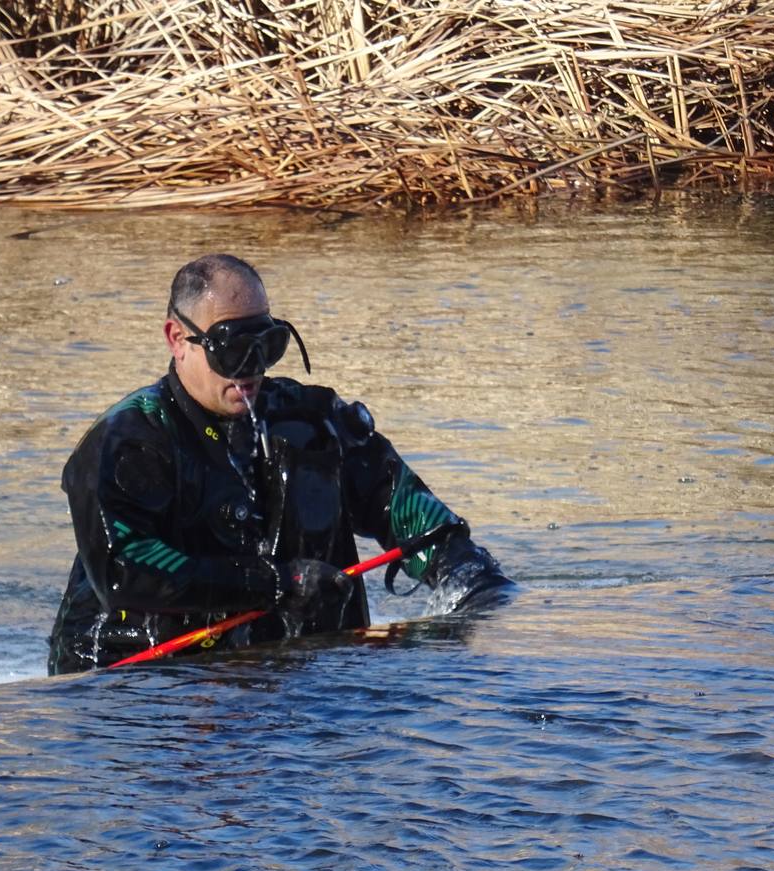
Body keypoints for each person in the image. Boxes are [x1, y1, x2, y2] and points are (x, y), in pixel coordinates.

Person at [48, 253, 510, 674]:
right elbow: (125, 568)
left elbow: (408, 509)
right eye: (231, 349)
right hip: (134, 682)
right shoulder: (127, 443)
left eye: (267, 346)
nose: (251, 368)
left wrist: (472, 582)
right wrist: (275, 583)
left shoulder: (313, 421)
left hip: (297, 672)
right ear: (177, 339)